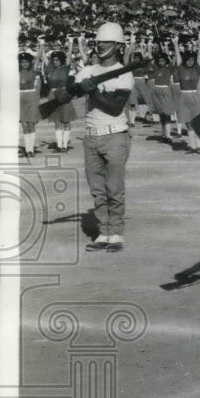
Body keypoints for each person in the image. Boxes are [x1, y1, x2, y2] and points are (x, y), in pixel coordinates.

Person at [68, 22, 135, 252]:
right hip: (91, 136)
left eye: (105, 42)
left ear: (117, 46)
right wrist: (68, 89)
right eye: (97, 42)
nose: (99, 45)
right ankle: (103, 231)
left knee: (114, 187)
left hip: (115, 135)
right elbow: (66, 93)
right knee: (97, 189)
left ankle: (116, 232)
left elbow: (116, 107)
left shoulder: (125, 74)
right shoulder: (88, 71)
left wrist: (93, 91)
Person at [19, 52, 42, 157]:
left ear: (29, 62)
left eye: (26, 62)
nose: (24, 64)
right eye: (22, 62)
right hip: (20, 100)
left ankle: (30, 150)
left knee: (31, 124)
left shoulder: (33, 72)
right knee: (24, 125)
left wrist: (41, 45)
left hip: (32, 99)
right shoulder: (16, 73)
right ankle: (27, 148)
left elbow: (37, 59)